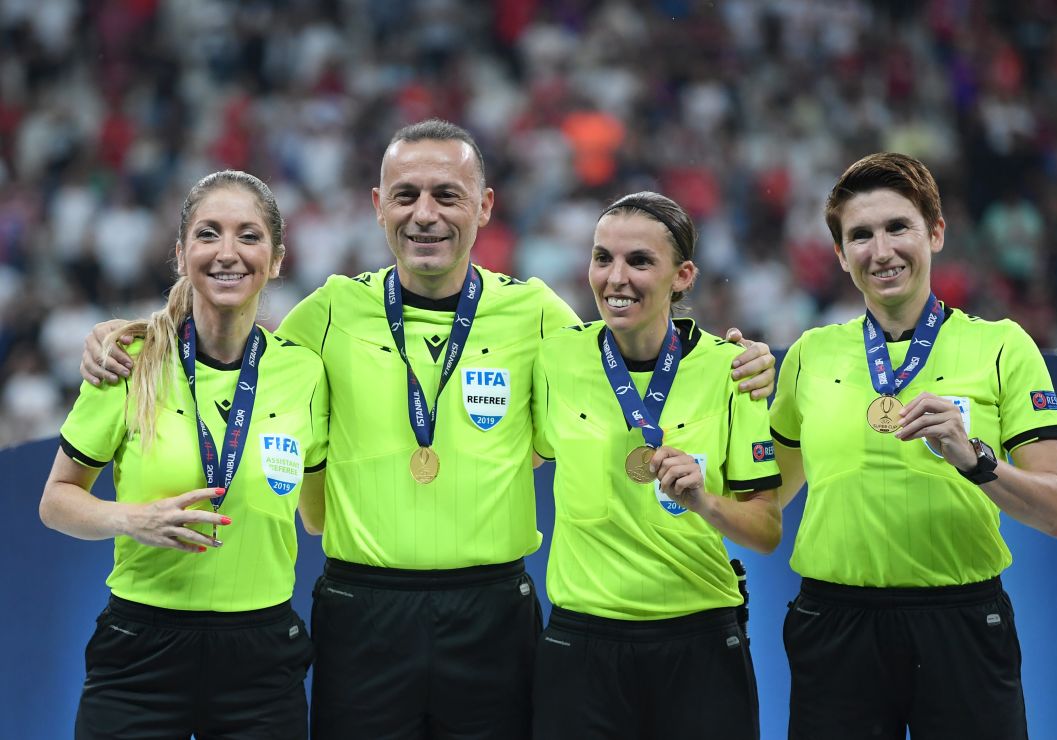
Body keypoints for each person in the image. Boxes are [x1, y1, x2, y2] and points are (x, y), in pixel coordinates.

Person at [79, 119, 778, 740]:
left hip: (493, 615)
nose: (426, 214)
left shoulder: (535, 313)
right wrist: (127, 333)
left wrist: (732, 355)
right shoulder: (329, 311)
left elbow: (626, 357)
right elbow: (234, 348)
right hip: (362, 612)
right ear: (379, 207)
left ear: (485, 207)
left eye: (447, 195)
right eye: (406, 195)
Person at [770, 153, 1057, 740]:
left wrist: (976, 460)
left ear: (935, 233)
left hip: (960, 622)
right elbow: (763, 501)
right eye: (860, 236)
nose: (880, 251)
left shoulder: (1002, 347)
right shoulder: (810, 354)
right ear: (840, 255)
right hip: (835, 626)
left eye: (897, 227)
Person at [41, 170, 328, 739]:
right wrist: (134, 519)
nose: (228, 253)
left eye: (249, 236)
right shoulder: (129, 360)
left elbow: (317, 518)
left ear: (275, 260)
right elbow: (56, 500)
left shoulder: (305, 372)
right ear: (180, 254)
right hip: (141, 651)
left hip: (261, 657)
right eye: (208, 234)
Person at [529, 191, 783, 740]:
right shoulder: (552, 359)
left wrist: (706, 503)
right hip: (582, 644)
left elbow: (766, 531)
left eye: (639, 261)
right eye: (603, 258)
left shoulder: (732, 371)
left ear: (682, 275)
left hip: (699, 641)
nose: (616, 277)